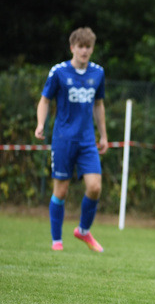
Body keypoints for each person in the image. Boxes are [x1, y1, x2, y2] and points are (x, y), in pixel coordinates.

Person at [34, 27, 108, 252]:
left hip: (87, 140)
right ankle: (57, 241)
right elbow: (45, 100)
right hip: (63, 138)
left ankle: (83, 231)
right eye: (81, 47)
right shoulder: (59, 72)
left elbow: (98, 104)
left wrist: (103, 135)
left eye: (88, 47)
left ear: (92, 49)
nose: (84, 51)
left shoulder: (98, 73)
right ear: (72, 48)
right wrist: (40, 124)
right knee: (61, 191)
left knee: (95, 187)